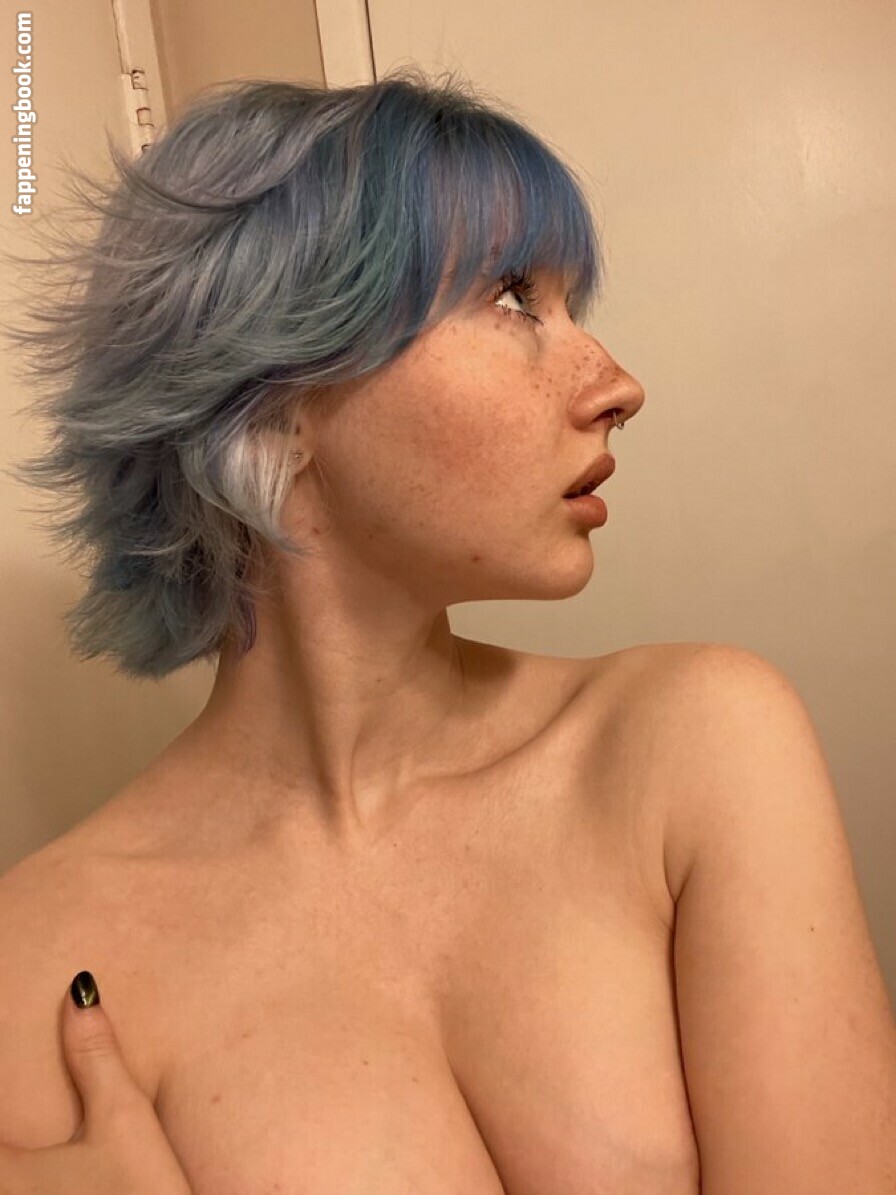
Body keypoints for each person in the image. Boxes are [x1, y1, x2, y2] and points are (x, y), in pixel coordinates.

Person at [2, 68, 892, 1195]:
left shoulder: (694, 748)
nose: (617, 386)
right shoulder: (43, 961)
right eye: (515, 298)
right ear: (274, 390)